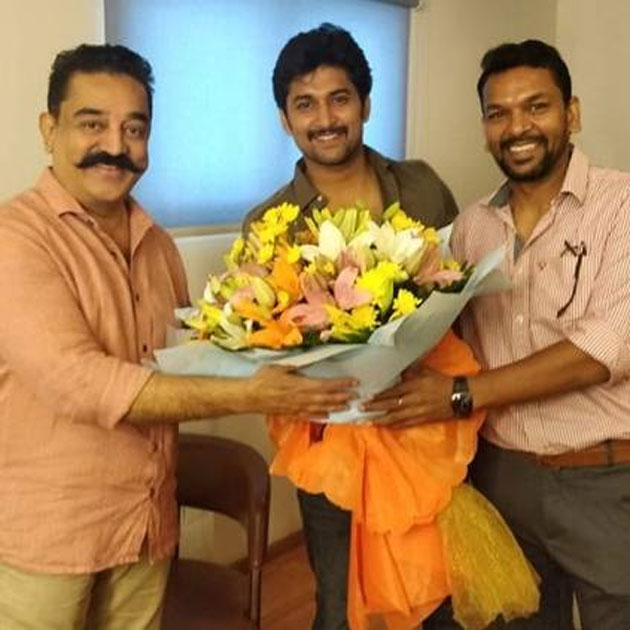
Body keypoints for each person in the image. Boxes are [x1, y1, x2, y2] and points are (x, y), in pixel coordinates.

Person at [0, 43, 356, 630]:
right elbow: (79, 382)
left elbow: (187, 358)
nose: (115, 145)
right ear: (49, 129)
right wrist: (253, 394)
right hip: (51, 539)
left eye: (134, 128)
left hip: (145, 527)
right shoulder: (18, 238)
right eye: (92, 123)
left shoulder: (158, 246)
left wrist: (275, 329)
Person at [364, 39, 630, 629]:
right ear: (485, 129)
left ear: (572, 113)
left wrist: (461, 394)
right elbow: (444, 340)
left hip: (605, 479)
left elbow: (603, 349)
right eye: (498, 114)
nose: (518, 128)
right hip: (501, 480)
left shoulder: (622, 206)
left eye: (537, 107)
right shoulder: (471, 228)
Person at [244, 23, 458, 630]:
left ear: (365, 103)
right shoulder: (270, 225)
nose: (325, 119)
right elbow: (268, 344)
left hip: (427, 428)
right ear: (285, 119)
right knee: (339, 605)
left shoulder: (420, 186)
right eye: (304, 104)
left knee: (437, 594)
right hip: (331, 443)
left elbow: (459, 295)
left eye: (339, 99)